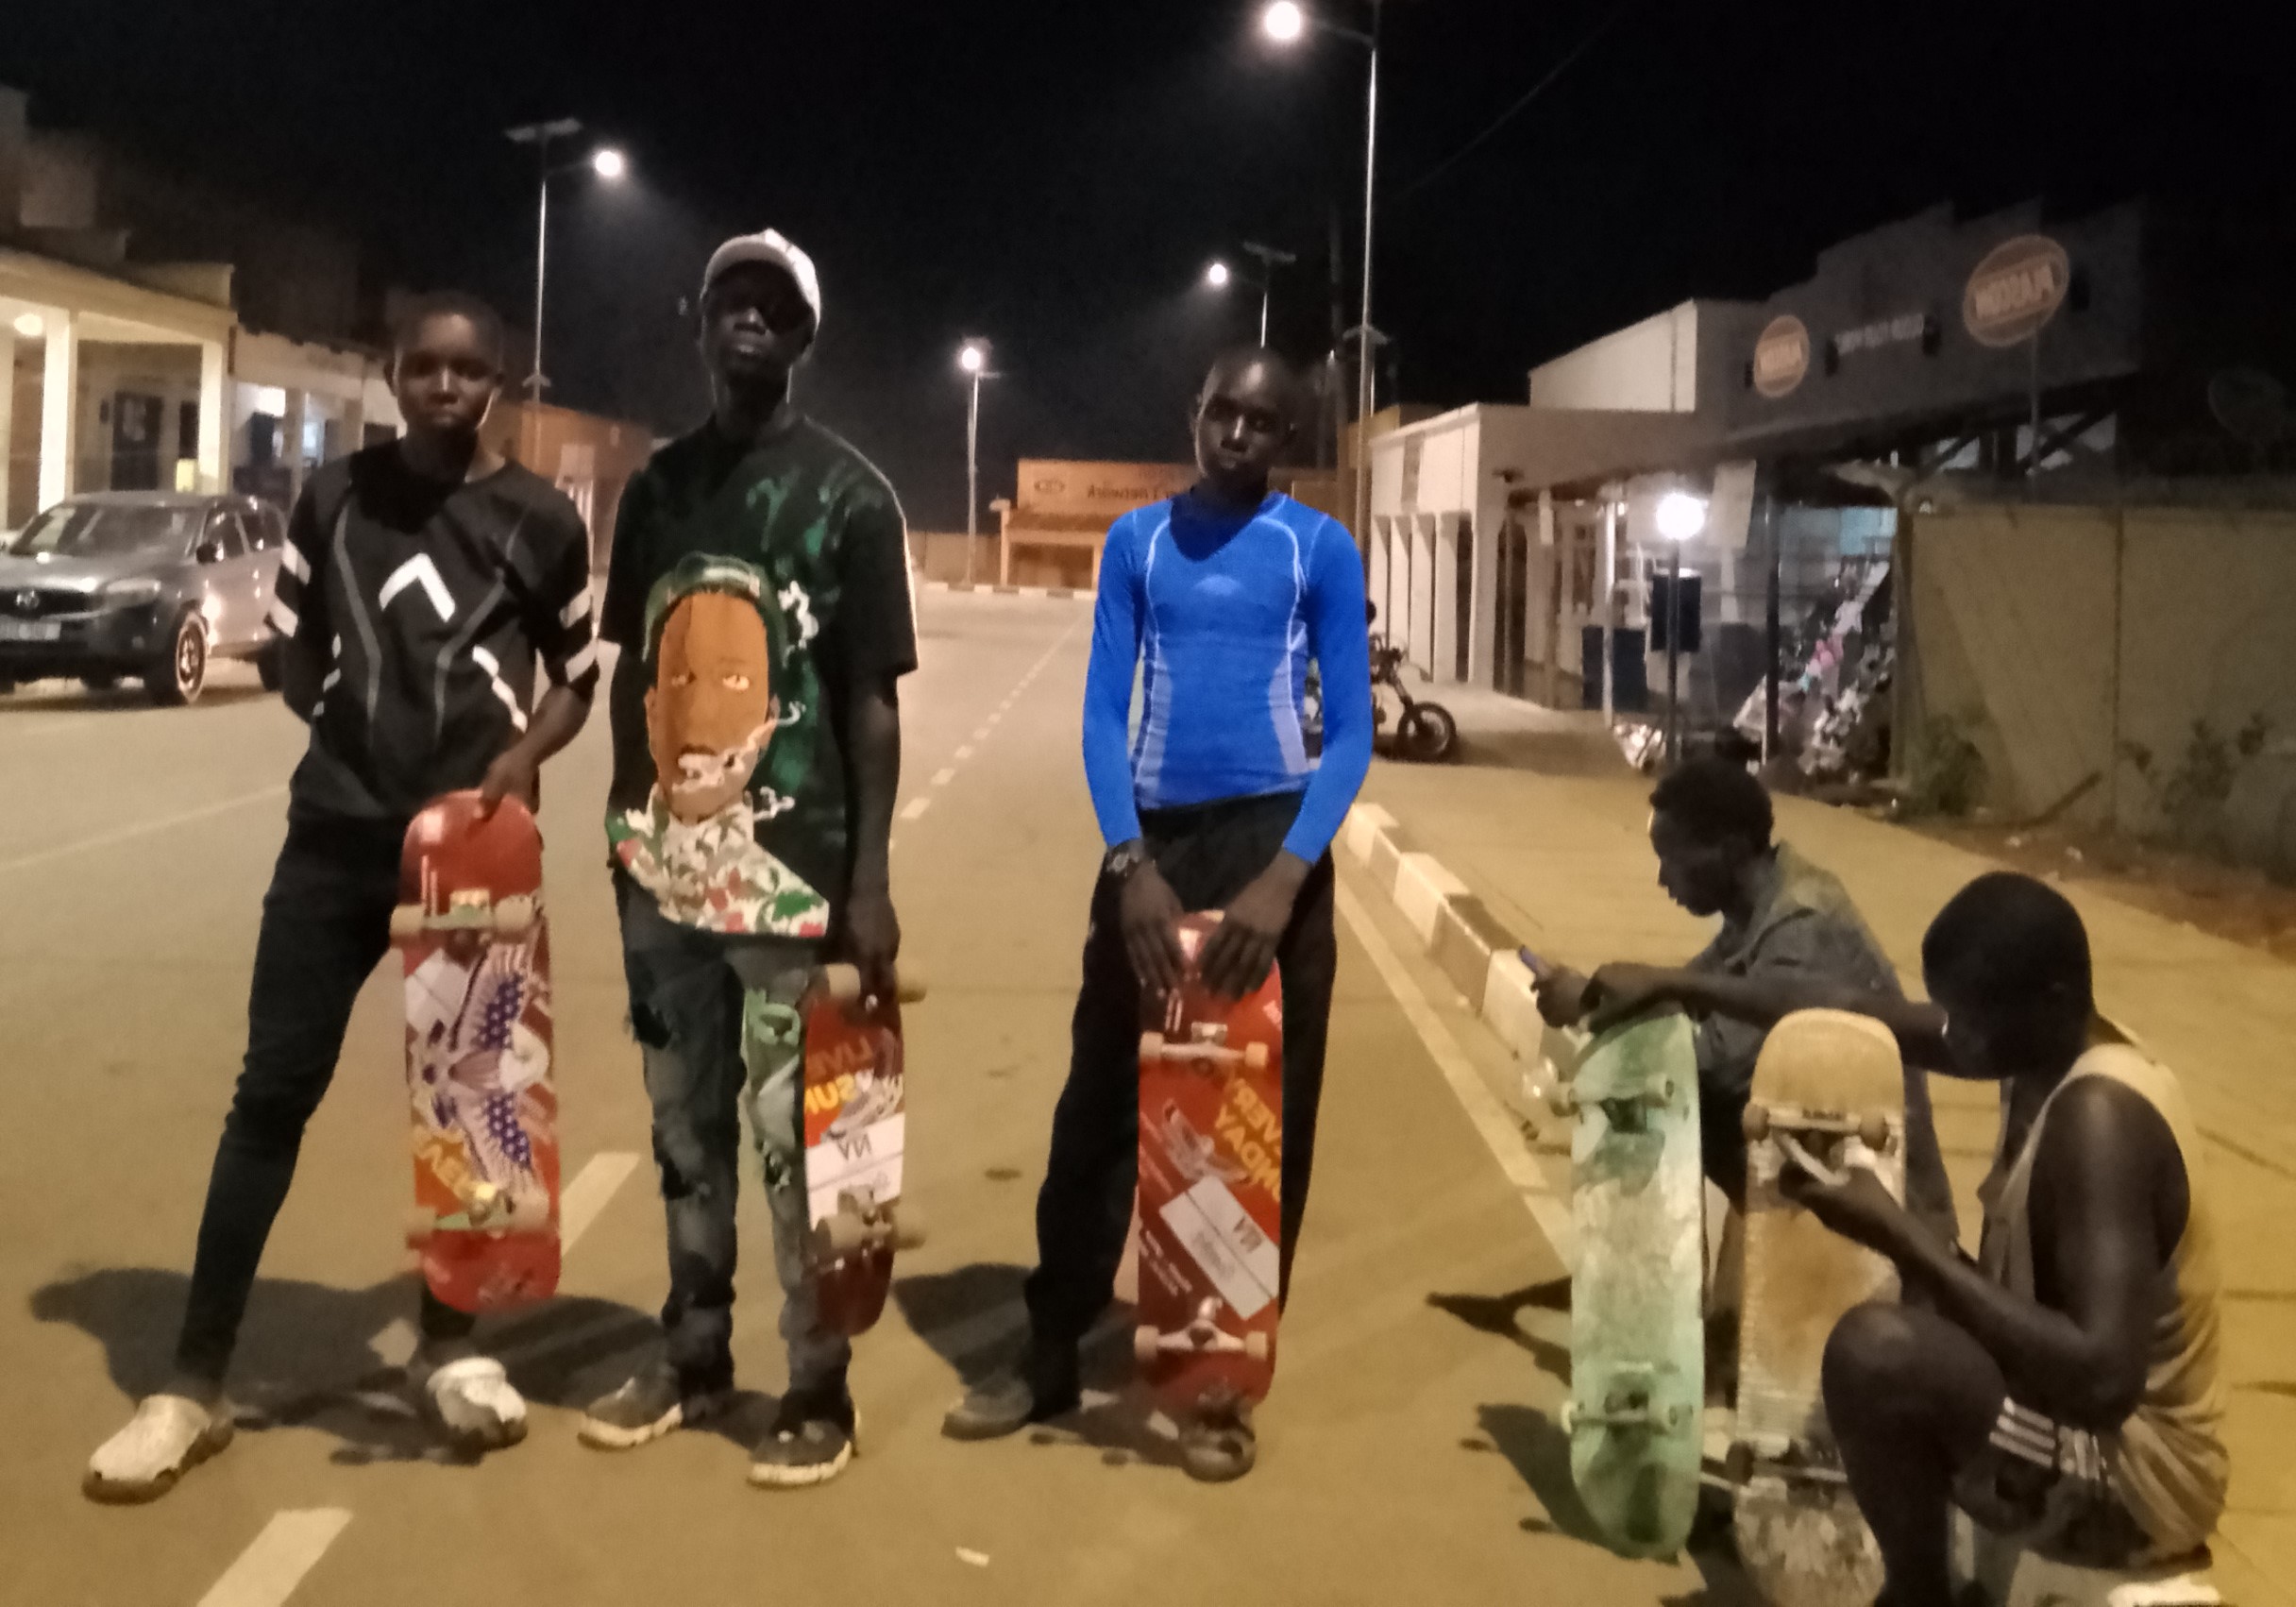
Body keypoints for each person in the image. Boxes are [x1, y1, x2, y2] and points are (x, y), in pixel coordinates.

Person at [85, 294, 599, 1499]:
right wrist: (341, 730)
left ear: (498, 383)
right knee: (270, 1095)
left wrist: (520, 760)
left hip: (466, 854)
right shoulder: (336, 498)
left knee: (468, 1103)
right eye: (421, 366)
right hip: (333, 842)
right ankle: (192, 1384)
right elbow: (286, 644)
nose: (442, 387)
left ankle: (448, 1348)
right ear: (389, 374)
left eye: (466, 371)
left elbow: (578, 679)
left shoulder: (538, 521)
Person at [941, 348, 1374, 1481]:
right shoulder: (1134, 542)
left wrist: (1284, 880)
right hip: (1154, 847)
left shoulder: (1316, 550)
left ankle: (1217, 1375)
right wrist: (1128, 859)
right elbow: (1100, 712)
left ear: (1288, 440)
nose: (1237, 435)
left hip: (1276, 846)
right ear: (1195, 413)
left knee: (1250, 1128)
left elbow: (1352, 735)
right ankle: (1049, 1346)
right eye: (1223, 413)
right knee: (1098, 1106)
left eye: (1264, 423)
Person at [576, 229, 913, 1490]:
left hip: (797, 882)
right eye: (732, 303)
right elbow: (634, 662)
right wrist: (625, 824)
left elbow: (871, 702)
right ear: (701, 325)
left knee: (795, 1137)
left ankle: (818, 1384)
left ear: (805, 336)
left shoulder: (850, 496)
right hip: (660, 872)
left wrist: (866, 882)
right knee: (681, 1127)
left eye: (776, 308)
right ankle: (694, 1350)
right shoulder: (656, 489)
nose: (751, 323)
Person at [1782, 872, 2225, 1605]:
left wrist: (1904, 1235)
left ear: (2050, 999)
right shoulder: (2033, 1047)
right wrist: (1683, 989)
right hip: (2079, 1422)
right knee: (1914, 1289)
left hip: (2138, 1486)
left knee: (1876, 1355)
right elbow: (1860, 1014)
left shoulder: (2099, 1122)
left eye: (1970, 1020)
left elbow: (2103, 1379)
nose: (1956, 1037)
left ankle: (1920, 1595)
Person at [1531, 757, 1957, 1244]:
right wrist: (1593, 996)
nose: (1663, 878)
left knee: (1660, 1098)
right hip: (1826, 1159)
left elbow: (1713, 1062)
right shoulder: (1759, 903)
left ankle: (1662, 1288)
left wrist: (1599, 1020)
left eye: (1672, 857)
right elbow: (1685, 992)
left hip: (1886, 1206)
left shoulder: (1802, 924)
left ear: (1729, 851)